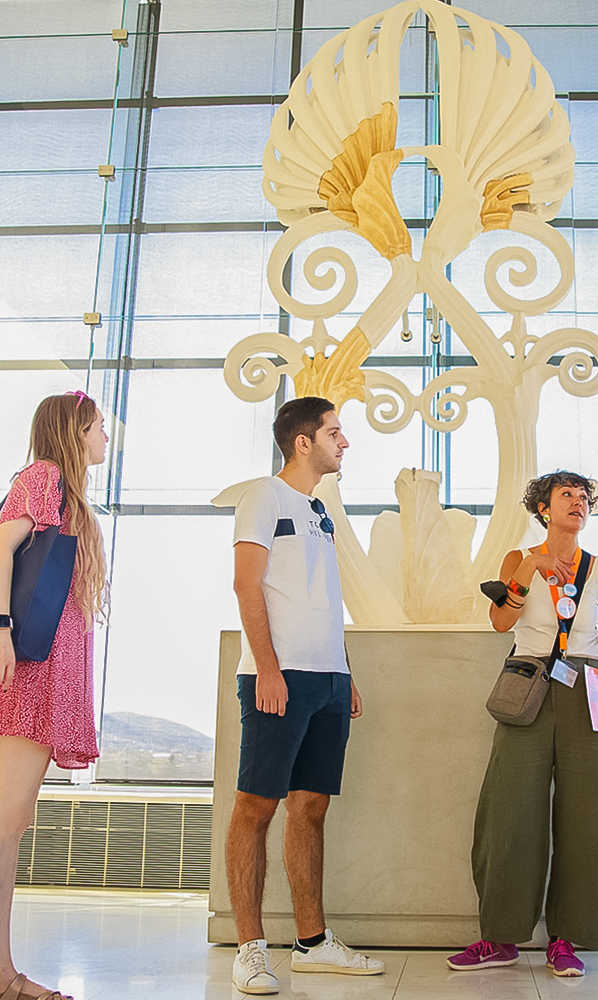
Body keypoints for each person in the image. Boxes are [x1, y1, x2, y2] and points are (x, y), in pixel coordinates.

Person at [0, 390, 109, 1000]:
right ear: (75, 431)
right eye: (98, 427)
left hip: (45, 669)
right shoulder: (43, 477)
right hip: (26, 669)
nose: (105, 438)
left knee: (10, 822)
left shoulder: (66, 492)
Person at [225, 396, 384, 995]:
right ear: (303, 442)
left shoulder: (320, 511)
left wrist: (346, 672)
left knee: (311, 808)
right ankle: (249, 950)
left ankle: (312, 944)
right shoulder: (263, 496)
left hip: (328, 681)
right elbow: (246, 585)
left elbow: (324, 598)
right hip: (278, 677)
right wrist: (267, 668)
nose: (344, 442)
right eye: (334, 433)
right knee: (255, 807)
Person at [448, 471, 598, 979]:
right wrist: (531, 567)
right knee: (509, 813)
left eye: (583, 497)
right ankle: (499, 938)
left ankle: (566, 940)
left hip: (587, 690)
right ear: (543, 509)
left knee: (589, 817)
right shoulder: (519, 559)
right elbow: (500, 622)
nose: (578, 502)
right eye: (566, 495)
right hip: (527, 685)